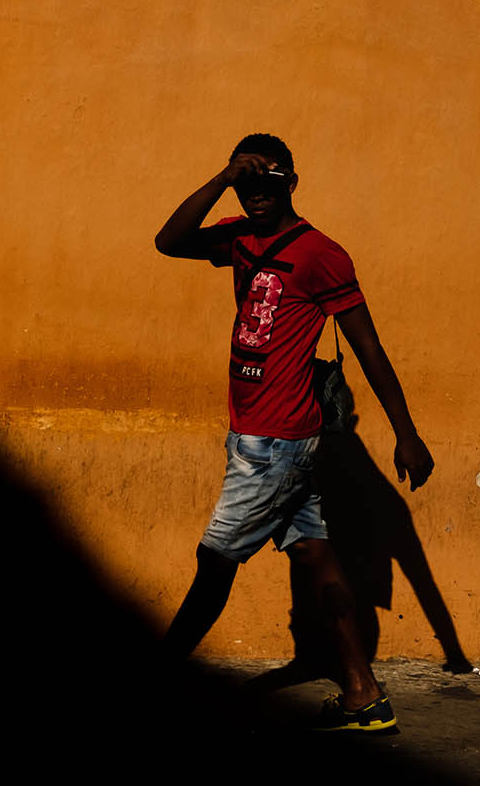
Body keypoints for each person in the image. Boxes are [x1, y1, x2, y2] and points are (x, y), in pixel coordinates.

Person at [153, 133, 434, 733]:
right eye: (247, 184)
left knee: (214, 563)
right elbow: (168, 242)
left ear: (291, 184)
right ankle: (364, 695)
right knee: (315, 555)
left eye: (267, 183)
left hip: (274, 442)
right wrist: (223, 176)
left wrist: (406, 433)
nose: (256, 195)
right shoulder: (237, 236)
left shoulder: (320, 253)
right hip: (266, 437)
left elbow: (368, 346)